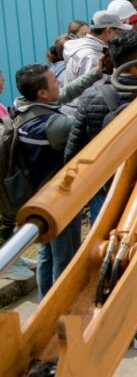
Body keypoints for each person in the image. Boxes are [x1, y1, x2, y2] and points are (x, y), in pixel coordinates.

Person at [64, 31, 137, 348]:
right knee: (134, 258)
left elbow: (74, 154)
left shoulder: (92, 97)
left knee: (114, 257)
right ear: (134, 65)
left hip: (104, 191)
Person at [4, 63, 100, 284]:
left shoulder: (21, 107)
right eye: (54, 80)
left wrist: (94, 73)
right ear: (42, 93)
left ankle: (44, 299)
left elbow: (64, 94)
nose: (59, 82)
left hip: (35, 195)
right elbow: (88, 130)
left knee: (46, 255)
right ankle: (60, 311)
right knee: (65, 259)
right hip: (58, 198)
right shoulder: (54, 125)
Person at [63, 10, 130, 84]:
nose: (119, 35)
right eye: (118, 31)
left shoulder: (79, 46)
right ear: (108, 31)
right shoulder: (91, 57)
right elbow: (91, 92)